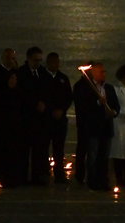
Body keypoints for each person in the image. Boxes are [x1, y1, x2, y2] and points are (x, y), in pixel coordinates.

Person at [74, 62, 119, 191]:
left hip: (106, 127)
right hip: (93, 127)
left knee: (104, 156)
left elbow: (116, 105)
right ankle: (92, 181)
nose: (104, 74)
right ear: (93, 73)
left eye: (104, 72)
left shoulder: (109, 88)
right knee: (92, 156)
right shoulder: (84, 87)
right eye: (101, 72)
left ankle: (103, 180)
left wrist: (114, 112)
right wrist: (98, 102)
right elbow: (83, 106)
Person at [17, 46, 52, 185]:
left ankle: (38, 177)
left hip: (40, 120)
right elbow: (21, 94)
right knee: (24, 150)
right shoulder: (21, 73)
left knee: (40, 150)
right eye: (35, 60)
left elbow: (49, 91)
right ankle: (22, 177)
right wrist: (35, 103)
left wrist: (44, 103)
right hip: (26, 118)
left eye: (39, 60)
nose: (38, 63)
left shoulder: (43, 73)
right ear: (28, 59)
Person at [0, 70, 24, 187]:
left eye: (15, 79)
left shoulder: (19, 93)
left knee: (13, 155)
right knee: (1, 155)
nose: (13, 81)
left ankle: (13, 179)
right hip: (2, 129)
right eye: (11, 79)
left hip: (15, 129)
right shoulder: (1, 94)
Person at [45, 52, 72, 183]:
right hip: (46, 119)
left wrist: (62, 109)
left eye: (57, 62)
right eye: (53, 62)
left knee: (59, 148)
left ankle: (59, 174)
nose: (56, 64)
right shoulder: (42, 77)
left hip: (60, 119)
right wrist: (50, 110)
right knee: (43, 147)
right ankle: (43, 173)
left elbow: (68, 97)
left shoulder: (63, 78)